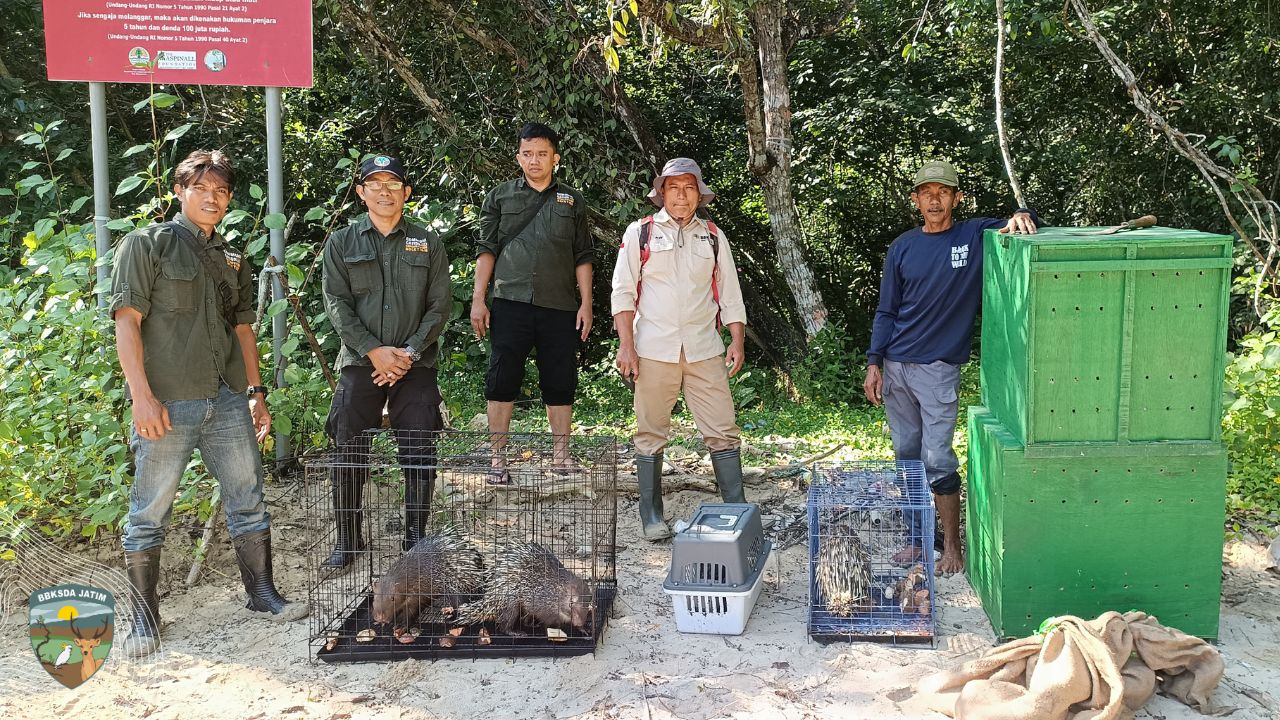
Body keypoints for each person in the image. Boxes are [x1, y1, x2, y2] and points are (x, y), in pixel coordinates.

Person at [111, 149, 306, 656]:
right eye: (201, 188)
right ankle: (145, 617)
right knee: (149, 512)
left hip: (225, 401)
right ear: (179, 190)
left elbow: (243, 330)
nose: (212, 198)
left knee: (248, 497)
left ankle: (262, 594)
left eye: (221, 191)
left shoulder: (231, 257)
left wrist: (255, 393)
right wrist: (142, 400)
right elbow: (126, 323)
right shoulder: (145, 244)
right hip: (167, 404)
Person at [864, 159, 1039, 575]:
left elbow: (1023, 223)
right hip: (896, 365)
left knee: (938, 457)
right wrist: (874, 363)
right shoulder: (902, 246)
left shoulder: (973, 235)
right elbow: (887, 310)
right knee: (906, 456)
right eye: (927, 192)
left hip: (938, 369)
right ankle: (916, 539)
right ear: (916, 200)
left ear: (956, 197)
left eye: (943, 191)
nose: (935, 199)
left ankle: (953, 549)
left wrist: (1024, 212)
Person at [320, 155, 451, 566]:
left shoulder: (427, 242)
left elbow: (439, 305)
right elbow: (337, 304)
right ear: (361, 193)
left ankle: (415, 540)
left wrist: (408, 352)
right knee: (348, 448)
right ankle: (348, 539)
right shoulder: (342, 242)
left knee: (419, 449)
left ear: (406, 193)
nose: (384, 190)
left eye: (392, 183)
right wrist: (373, 350)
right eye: (374, 183)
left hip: (417, 363)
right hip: (361, 362)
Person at [610, 158, 750, 541]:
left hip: (705, 348)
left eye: (689, 188)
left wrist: (736, 339)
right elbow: (622, 293)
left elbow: (731, 294)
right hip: (653, 349)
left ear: (699, 193)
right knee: (650, 432)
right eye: (674, 188)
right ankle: (652, 515)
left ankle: (735, 509)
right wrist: (626, 347)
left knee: (723, 430)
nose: (682, 195)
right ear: (662, 193)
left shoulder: (713, 236)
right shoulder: (641, 233)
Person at [471, 122, 593, 480]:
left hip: (560, 305)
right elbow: (486, 250)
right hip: (510, 300)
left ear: (555, 158)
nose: (534, 160)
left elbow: (582, 255)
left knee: (560, 378)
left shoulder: (572, 199)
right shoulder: (500, 197)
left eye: (542, 154)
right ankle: (497, 459)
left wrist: (586, 303)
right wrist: (480, 299)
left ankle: (560, 456)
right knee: (502, 376)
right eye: (527, 154)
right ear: (518, 157)